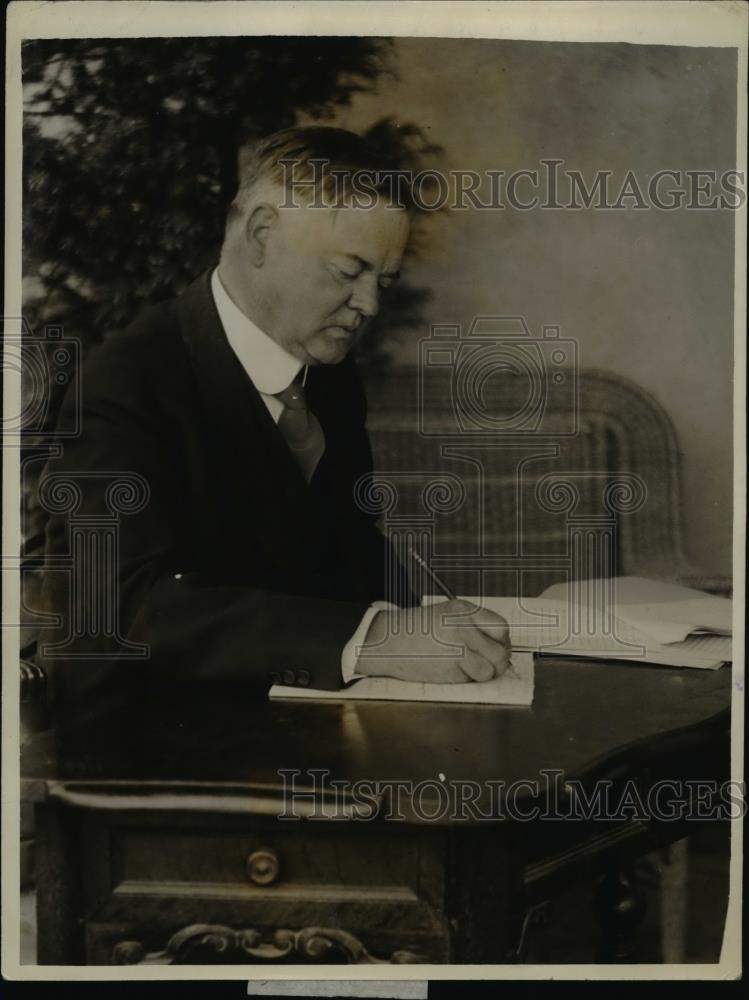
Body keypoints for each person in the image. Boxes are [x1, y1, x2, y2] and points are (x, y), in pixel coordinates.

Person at [38, 126, 511, 705]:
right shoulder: (124, 386)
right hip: (144, 745)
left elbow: (344, 540)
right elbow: (122, 611)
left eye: (382, 281)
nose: (369, 305)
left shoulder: (328, 375)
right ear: (262, 235)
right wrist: (379, 636)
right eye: (347, 271)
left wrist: (433, 614)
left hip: (286, 720)